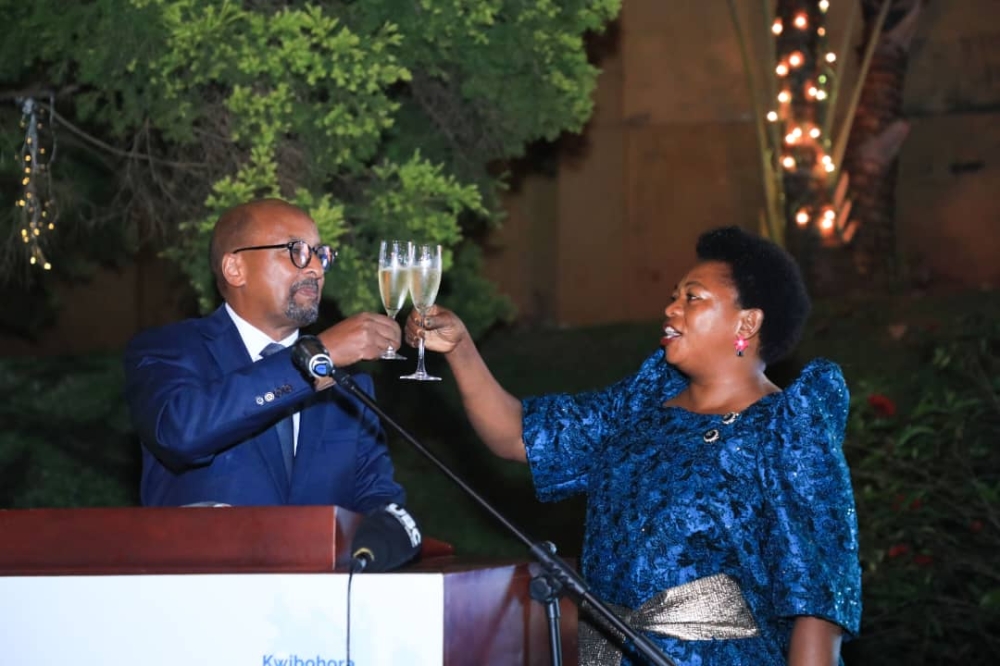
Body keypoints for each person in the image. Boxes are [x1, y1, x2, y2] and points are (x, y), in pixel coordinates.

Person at [405, 226, 861, 665]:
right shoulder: (641, 405)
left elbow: (818, 605)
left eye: (692, 298)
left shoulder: (787, 426)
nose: (671, 309)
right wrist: (460, 349)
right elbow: (516, 435)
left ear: (748, 321)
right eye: (673, 296)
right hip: (605, 653)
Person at [125, 198, 406, 510]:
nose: (315, 268)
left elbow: (378, 497)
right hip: (207, 559)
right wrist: (315, 359)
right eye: (296, 251)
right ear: (235, 268)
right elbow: (180, 433)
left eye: (319, 254)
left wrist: (384, 537)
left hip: (322, 560)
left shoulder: (351, 384)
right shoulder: (170, 348)